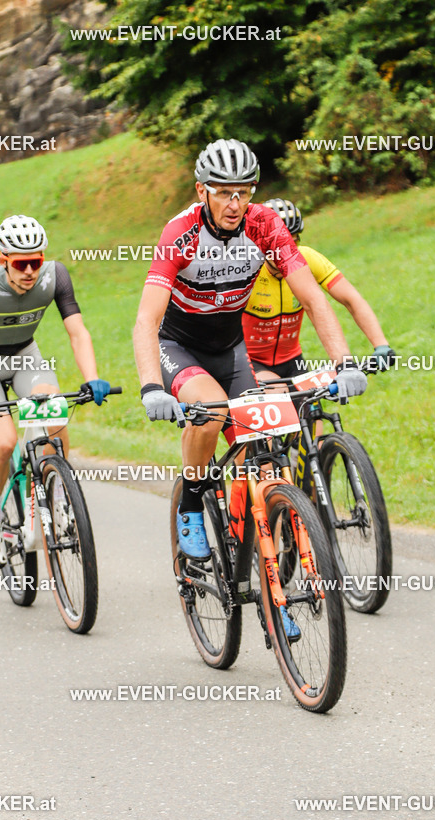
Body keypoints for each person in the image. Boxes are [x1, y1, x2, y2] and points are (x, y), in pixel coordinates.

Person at [133, 138, 367, 572]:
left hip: (232, 348)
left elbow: (314, 300)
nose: (235, 202)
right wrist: (151, 388)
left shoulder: (265, 225)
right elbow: (146, 321)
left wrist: (345, 362)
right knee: (210, 413)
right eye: (223, 191)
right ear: (202, 191)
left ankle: (250, 552)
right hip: (180, 347)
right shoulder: (180, 234)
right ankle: (189, 504)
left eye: (244, 190)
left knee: (257, 448)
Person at [0, 214, 111, 567]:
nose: (29, 271)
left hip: (25, 356)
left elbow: (78, 332)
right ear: (3, 261)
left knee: (55, 411)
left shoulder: (56, 276)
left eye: (35, 262)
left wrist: (93, 376)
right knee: (4, 442)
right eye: (20, 264)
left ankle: (60, 495)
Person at [244, 198, 395, 383]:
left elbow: (352, 300)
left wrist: (381, 345)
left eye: (292, 244)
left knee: (311, 408)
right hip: (252, 361)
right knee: (278, 393)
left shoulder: (307, 259)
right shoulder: (247, 269)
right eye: (278, 246)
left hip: (292, 359)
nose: (285, 253)